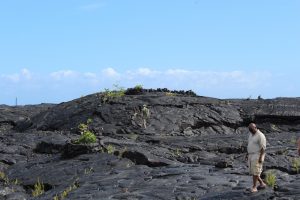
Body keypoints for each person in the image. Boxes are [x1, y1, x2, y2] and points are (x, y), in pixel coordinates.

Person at [245, 123, 267, 193]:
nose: (250, 131)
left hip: (257, 155)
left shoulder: (260, 135)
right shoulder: (251, 135)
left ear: (255, 127)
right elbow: (249, 144)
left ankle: (254, 187)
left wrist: (261, 157)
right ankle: (262, 183)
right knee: (253, 171)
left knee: (256, 171)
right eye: (249, 129)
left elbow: (263, 148)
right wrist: (247, 154)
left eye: (251, 129)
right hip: (251, 154)